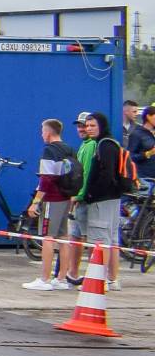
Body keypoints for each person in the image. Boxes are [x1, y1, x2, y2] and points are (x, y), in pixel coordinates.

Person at [70, 111, 129, 287]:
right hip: (112, 198)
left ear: (102, 126)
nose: (89, 129)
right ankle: (111, 280)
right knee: (111, 239)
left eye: (93, 125)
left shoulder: (104, 145)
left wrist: (90, 194)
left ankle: (99, 281)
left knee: (99, 240)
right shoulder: (109, 143)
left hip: (102, 200)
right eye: (87, 126)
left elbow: (106, 174)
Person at [23, 118, 82, 291]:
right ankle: (61, 278)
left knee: (47, 237)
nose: (41, 135)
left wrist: (35, 202)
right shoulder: (69, 148)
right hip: (66, 197)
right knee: (63, 238)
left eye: (42, 131)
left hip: (52, 198)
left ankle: (45, 279)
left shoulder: (49, 150)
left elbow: (46, 179)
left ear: (48, 132)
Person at [124, 103, 155, 187]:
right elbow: (130, 157)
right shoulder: (137, 134)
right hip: (145, 179)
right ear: (149, 116)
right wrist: (148, 153)